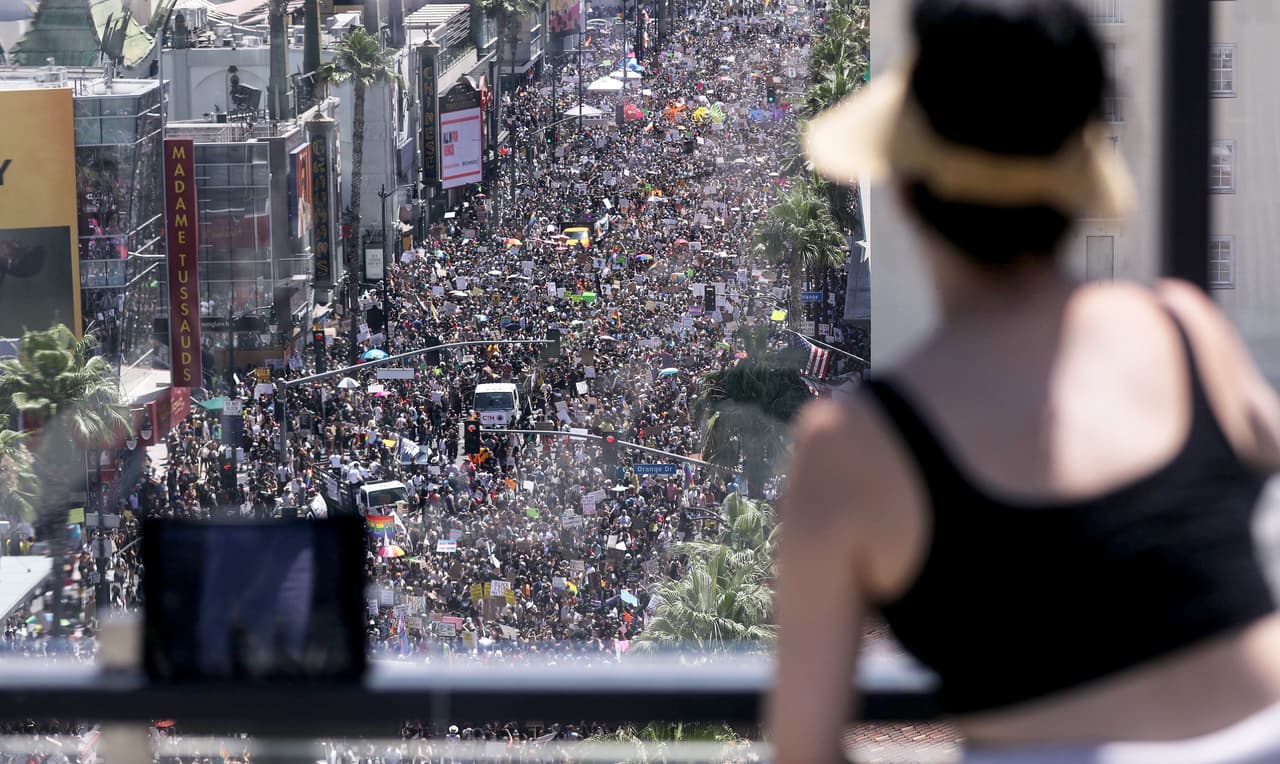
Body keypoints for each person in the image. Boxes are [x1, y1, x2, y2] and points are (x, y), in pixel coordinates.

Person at [769, 1, 1280, 762]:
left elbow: (806, 749)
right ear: (1081, 185)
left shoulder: (852, 448)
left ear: (906, 191)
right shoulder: (1188, 334)